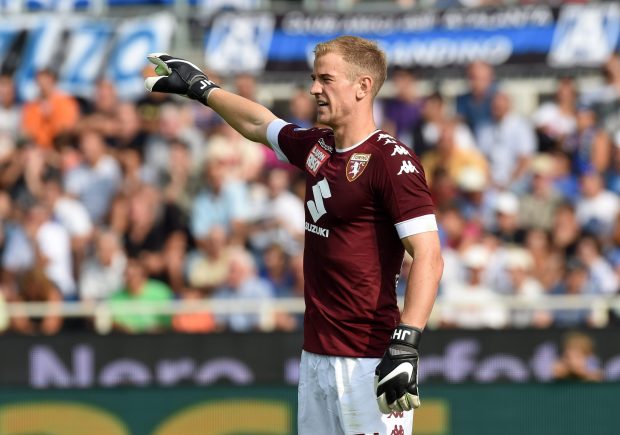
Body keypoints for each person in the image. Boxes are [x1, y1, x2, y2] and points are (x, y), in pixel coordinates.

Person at [145, 35, 443, 435]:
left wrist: (406, 345)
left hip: (369, 360)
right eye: (313, 78)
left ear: (362, 87)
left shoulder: (391, 161)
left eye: (326, 79)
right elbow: (258, 123)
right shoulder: (318, 147)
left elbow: (429, 256)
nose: (314, 89)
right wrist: (203, 89)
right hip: (316, 356)